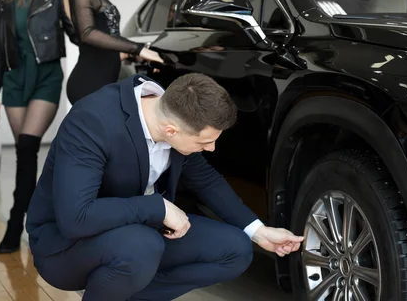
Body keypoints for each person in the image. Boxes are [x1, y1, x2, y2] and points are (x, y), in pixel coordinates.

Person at [25, 72, 303, 300]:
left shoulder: (172, 110)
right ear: (171, 130)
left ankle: (122, 294)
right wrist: (157, 207)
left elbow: (205, 179)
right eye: (204, 142)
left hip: (136, 232)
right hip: (65, 245)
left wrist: (258, 231)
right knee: (141, 246)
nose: (212, 148)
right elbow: (76, 218)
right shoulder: (93, 121)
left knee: (235, 249)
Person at [0, 0, 78, 254]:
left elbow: (75, 31)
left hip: (46, 77)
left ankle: (17, 223)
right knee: (26, 157)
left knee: (27, 146)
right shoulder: (2, 3)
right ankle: (35, 221)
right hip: (14, 81)